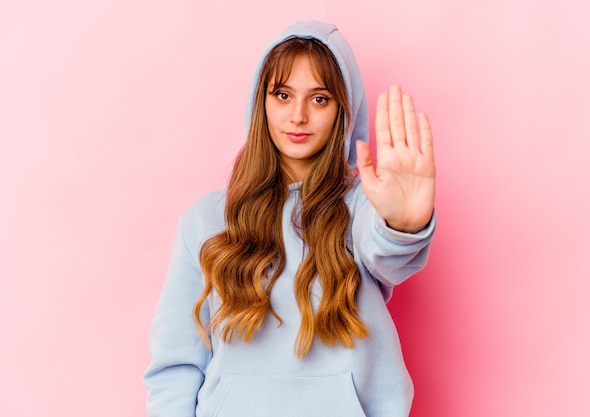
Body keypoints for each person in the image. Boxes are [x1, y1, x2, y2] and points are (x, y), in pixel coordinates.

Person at [143, 20, 436, 417]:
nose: (297, 116)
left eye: (319, 99)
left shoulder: (364, 208)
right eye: (282, 95)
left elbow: (389, 253)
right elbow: (174, 366)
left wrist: (404, 225)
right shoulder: (205, 220)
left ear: (343, 110)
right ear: (260, 101)